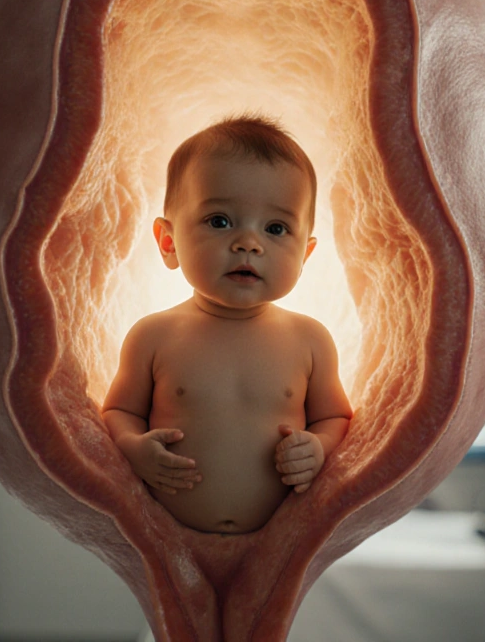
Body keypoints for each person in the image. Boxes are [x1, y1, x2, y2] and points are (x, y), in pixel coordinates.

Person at [101, 115, 353, 534]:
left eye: (276, 228)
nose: (248, 243)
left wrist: (318, 448)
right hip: (169, 537)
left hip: (275, 541)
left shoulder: (310, 341)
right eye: (220, 221)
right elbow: (118, 410)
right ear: (168, 242)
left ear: (305, 255)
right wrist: (133, 448)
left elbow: (336, 418)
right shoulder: (154, 336)